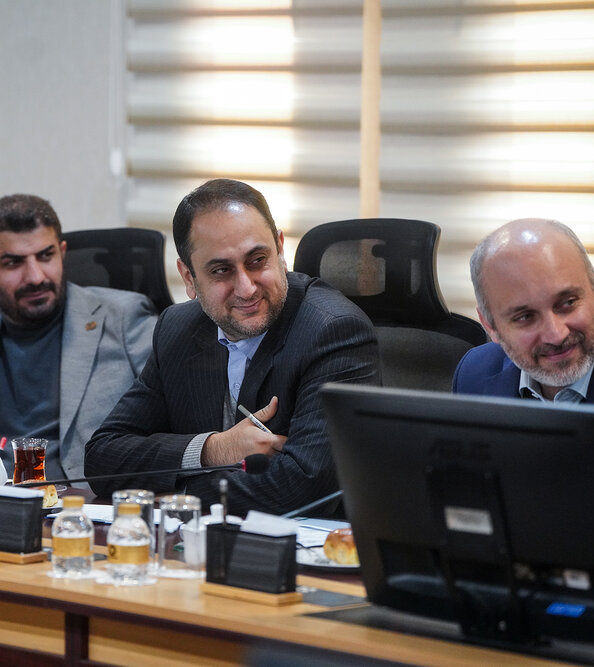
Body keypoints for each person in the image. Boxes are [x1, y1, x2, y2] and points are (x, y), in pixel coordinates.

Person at [84, 179, 380, 515]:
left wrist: (174, 495)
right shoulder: (177, 329)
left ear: (280, 249)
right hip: (196, 541)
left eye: (257, 260)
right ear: (189, 278)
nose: (246, 288)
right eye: (221, 270)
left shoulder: (332, 330)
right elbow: (103, 457)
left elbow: (301, 488)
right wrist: (214, 449)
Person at [453, 218, 594, 549]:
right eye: (525, 317)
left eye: (568, 303)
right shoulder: (474, 373)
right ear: (490, 325)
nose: (556, 334)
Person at [0, 194, 157, 487]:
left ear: (62, 253)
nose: (36, 277)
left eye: (45, 256)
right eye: (13, 263)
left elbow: (171, 431)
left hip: (86, 504)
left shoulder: (124, 320)